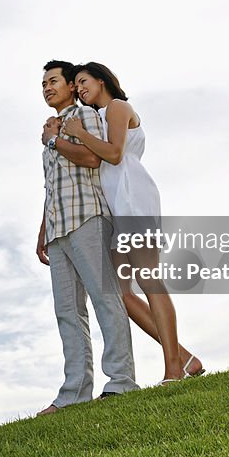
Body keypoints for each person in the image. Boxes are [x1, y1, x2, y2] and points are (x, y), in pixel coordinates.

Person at [63, 62, 204, 383]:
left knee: (151, 281)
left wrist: (80, 134)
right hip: (116, 207)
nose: (80, 88)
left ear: (102, 80)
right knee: (121, 294)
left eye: (84, 82)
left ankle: (173, 370)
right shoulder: (96, 116)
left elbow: (114, 154)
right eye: (77, 85)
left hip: (134, 200)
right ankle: (185, 358)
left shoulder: (117, 106)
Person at [35, 60, 139, 416]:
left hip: (88, 219)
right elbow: (52, 187)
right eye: (43, 83)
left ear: (68, 86)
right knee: (67, 311)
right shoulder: (51, 128)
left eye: (53, 81)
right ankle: (73, 393)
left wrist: (54, 141)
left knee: (105, 299)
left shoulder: (86, 118)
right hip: (58, 227)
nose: (47, 87)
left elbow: (93, 160)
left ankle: (122, 381)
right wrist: (42, 231)